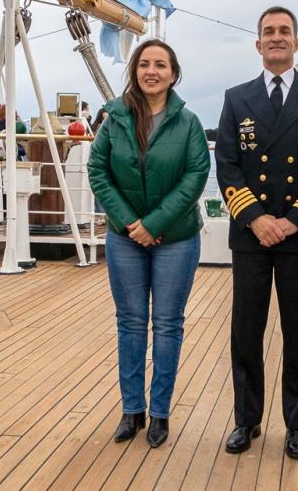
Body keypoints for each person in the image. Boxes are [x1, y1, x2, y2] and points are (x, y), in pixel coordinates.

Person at [215, 6, 298, 460]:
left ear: (297, 41)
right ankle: (246, 421)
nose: (276, 38)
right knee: (245, 331)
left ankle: (297, 424)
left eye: (285, 31)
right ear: (258, 43)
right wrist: (256, 218)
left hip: (297, 234)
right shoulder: (236, 97)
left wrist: (292, 220)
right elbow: (226, 163)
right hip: (251, 234)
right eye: (268, 31)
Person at [88, 39, 210, 448]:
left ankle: (159, 414)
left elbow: (195, 175)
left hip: (175, 238)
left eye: (160, 65)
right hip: (126, 239)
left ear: (173, 74)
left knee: (168, 325)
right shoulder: (115, 117)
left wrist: (154, 223)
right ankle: (131, 410)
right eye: (144, 64)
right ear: (135, 71)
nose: (151, 71)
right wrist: (130, 223)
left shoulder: (188, 122)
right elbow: (97, 170)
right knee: (131, 323)